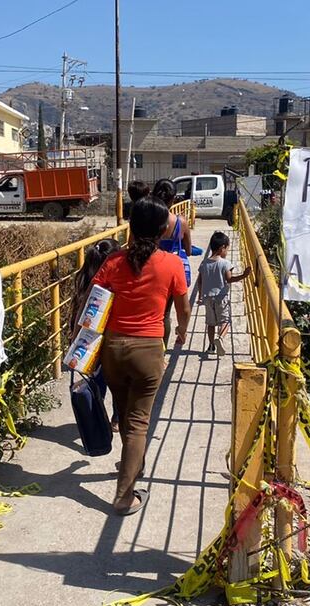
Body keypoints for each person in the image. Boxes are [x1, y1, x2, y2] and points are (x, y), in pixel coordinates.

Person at [92, 196, 190, 515]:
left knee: (124, 414)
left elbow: (92, 304)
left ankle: (135, 463)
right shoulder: (172, 264)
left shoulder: (112, 263)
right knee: (137, 424)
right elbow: (183, 308)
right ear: (163, 230)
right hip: (148, 351)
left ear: (131, 227)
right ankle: (124, 496)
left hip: (113, 350)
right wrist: (181, 331)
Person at [70, 238, 121, 431]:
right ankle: (116, 418)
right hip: (110, 338)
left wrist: (74, 338)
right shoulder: (111, 281)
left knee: (96, 383)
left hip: (88, 342)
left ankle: (98, 417)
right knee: (116, 381)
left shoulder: (85, 278)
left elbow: (76, 313)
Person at [196, 231, 250, 357]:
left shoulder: (204, 263)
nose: (227, 252)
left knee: (210, 323)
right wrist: (244, 275)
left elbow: (200, 280)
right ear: (222, 248)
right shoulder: (225, 263)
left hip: (208, 298)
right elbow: (229, 279)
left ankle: (211, 346)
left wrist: (200, 295)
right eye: (227, 249)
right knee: (225, 321)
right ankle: (220, 338)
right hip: (221, 297)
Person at [152, 178, 192, 348]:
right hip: (172, 271)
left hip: (152, 266)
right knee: (165, 315)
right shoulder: (180, 222)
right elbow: (188, 251)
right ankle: (162, 350)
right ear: (173, 198)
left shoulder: (149, 220)